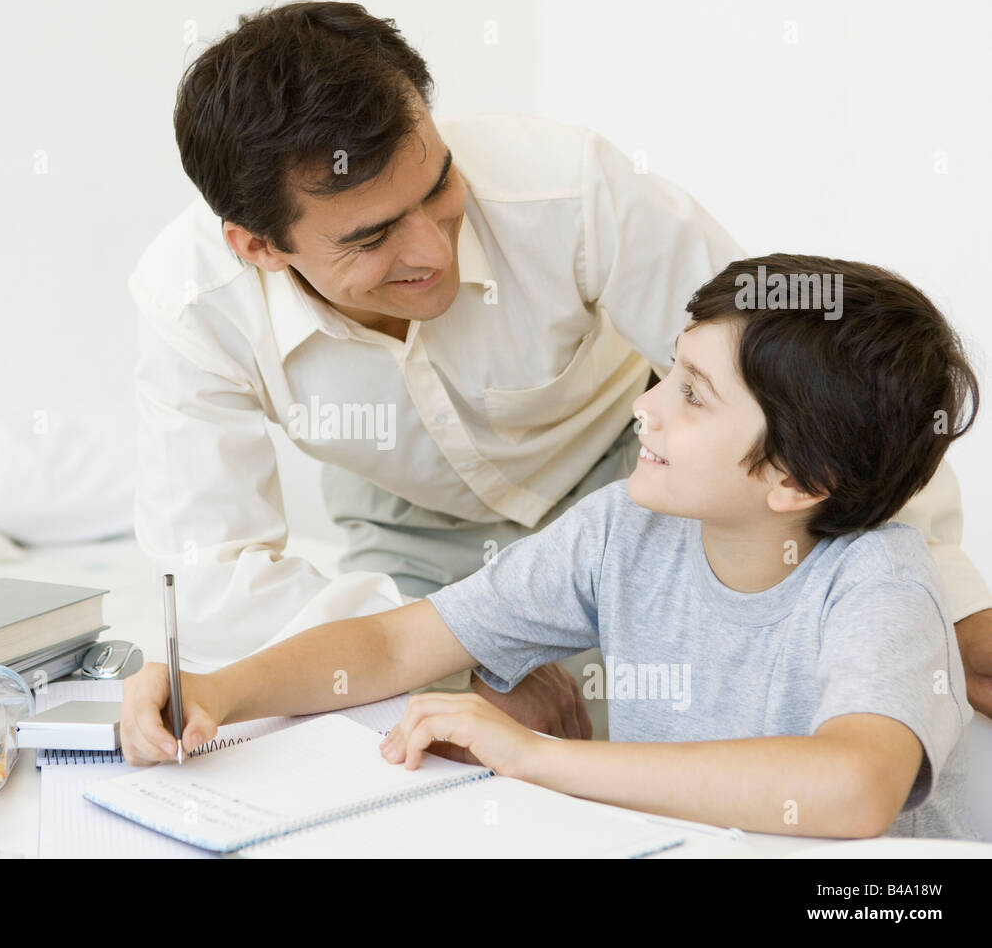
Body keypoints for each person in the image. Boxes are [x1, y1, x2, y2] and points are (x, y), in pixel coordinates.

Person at [129, 1, 992, 737]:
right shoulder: (188, 304)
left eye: (437, 187)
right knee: (420, 750)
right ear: (258, 246)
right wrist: (464, 669)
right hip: (411, 539)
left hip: (639, 481)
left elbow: (807, 381)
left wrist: (943, 606)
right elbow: (212, 579)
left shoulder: (570, 188)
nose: (432, 247)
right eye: (370, 237)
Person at [120, 254, 979, 839]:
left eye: (694, 395)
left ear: (795, 478)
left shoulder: (880, 583)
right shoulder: (624, 530)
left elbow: (856, 786)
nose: (646, 407)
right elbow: (395, 641)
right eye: (666, 372)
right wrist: (218, 688)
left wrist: (545, 758)